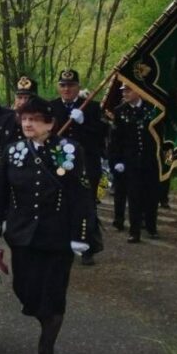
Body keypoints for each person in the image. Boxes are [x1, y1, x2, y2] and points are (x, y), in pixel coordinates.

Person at [0, 96, 94, 354]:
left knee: (54, 295)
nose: (27, 124)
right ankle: (46, 318)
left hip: (57, 237)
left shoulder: (69, 150)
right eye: (24, 119)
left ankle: (46, 350)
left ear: (50, 123)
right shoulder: (12, 151)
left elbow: (81, 195)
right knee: (25, 290)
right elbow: (0, 194)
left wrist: (80, 233)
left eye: (34, 119)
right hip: (22, 235)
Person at [49, 69, 107, 266]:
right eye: (63, 85)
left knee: (86, 204)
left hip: (86, 164)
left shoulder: (92, 108)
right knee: (60, 204)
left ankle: (88, 247)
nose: (67, 89)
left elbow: (103, 136)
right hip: (59, 162)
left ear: (78, 87)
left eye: (71, 85)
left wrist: (84, 123)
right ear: (59, 87)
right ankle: (61, 244)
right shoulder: (51, 107)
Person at [108, 83, 162, 242]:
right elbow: (115, 140)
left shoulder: (152, 109)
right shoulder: (120, 111)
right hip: (130, 161)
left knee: (151, 196)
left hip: (150, 160)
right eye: (123, 90)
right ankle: (134, 231)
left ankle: (151, 227)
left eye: (128, 90)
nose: (125, 93)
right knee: (134, 197)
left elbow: (160, 135)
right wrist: (116, 160)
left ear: (138, 91)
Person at [0, 75, 39, 148]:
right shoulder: (3, 122)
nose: (22, 102)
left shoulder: (42, 122)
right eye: (19, 97)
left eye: (26, 98)